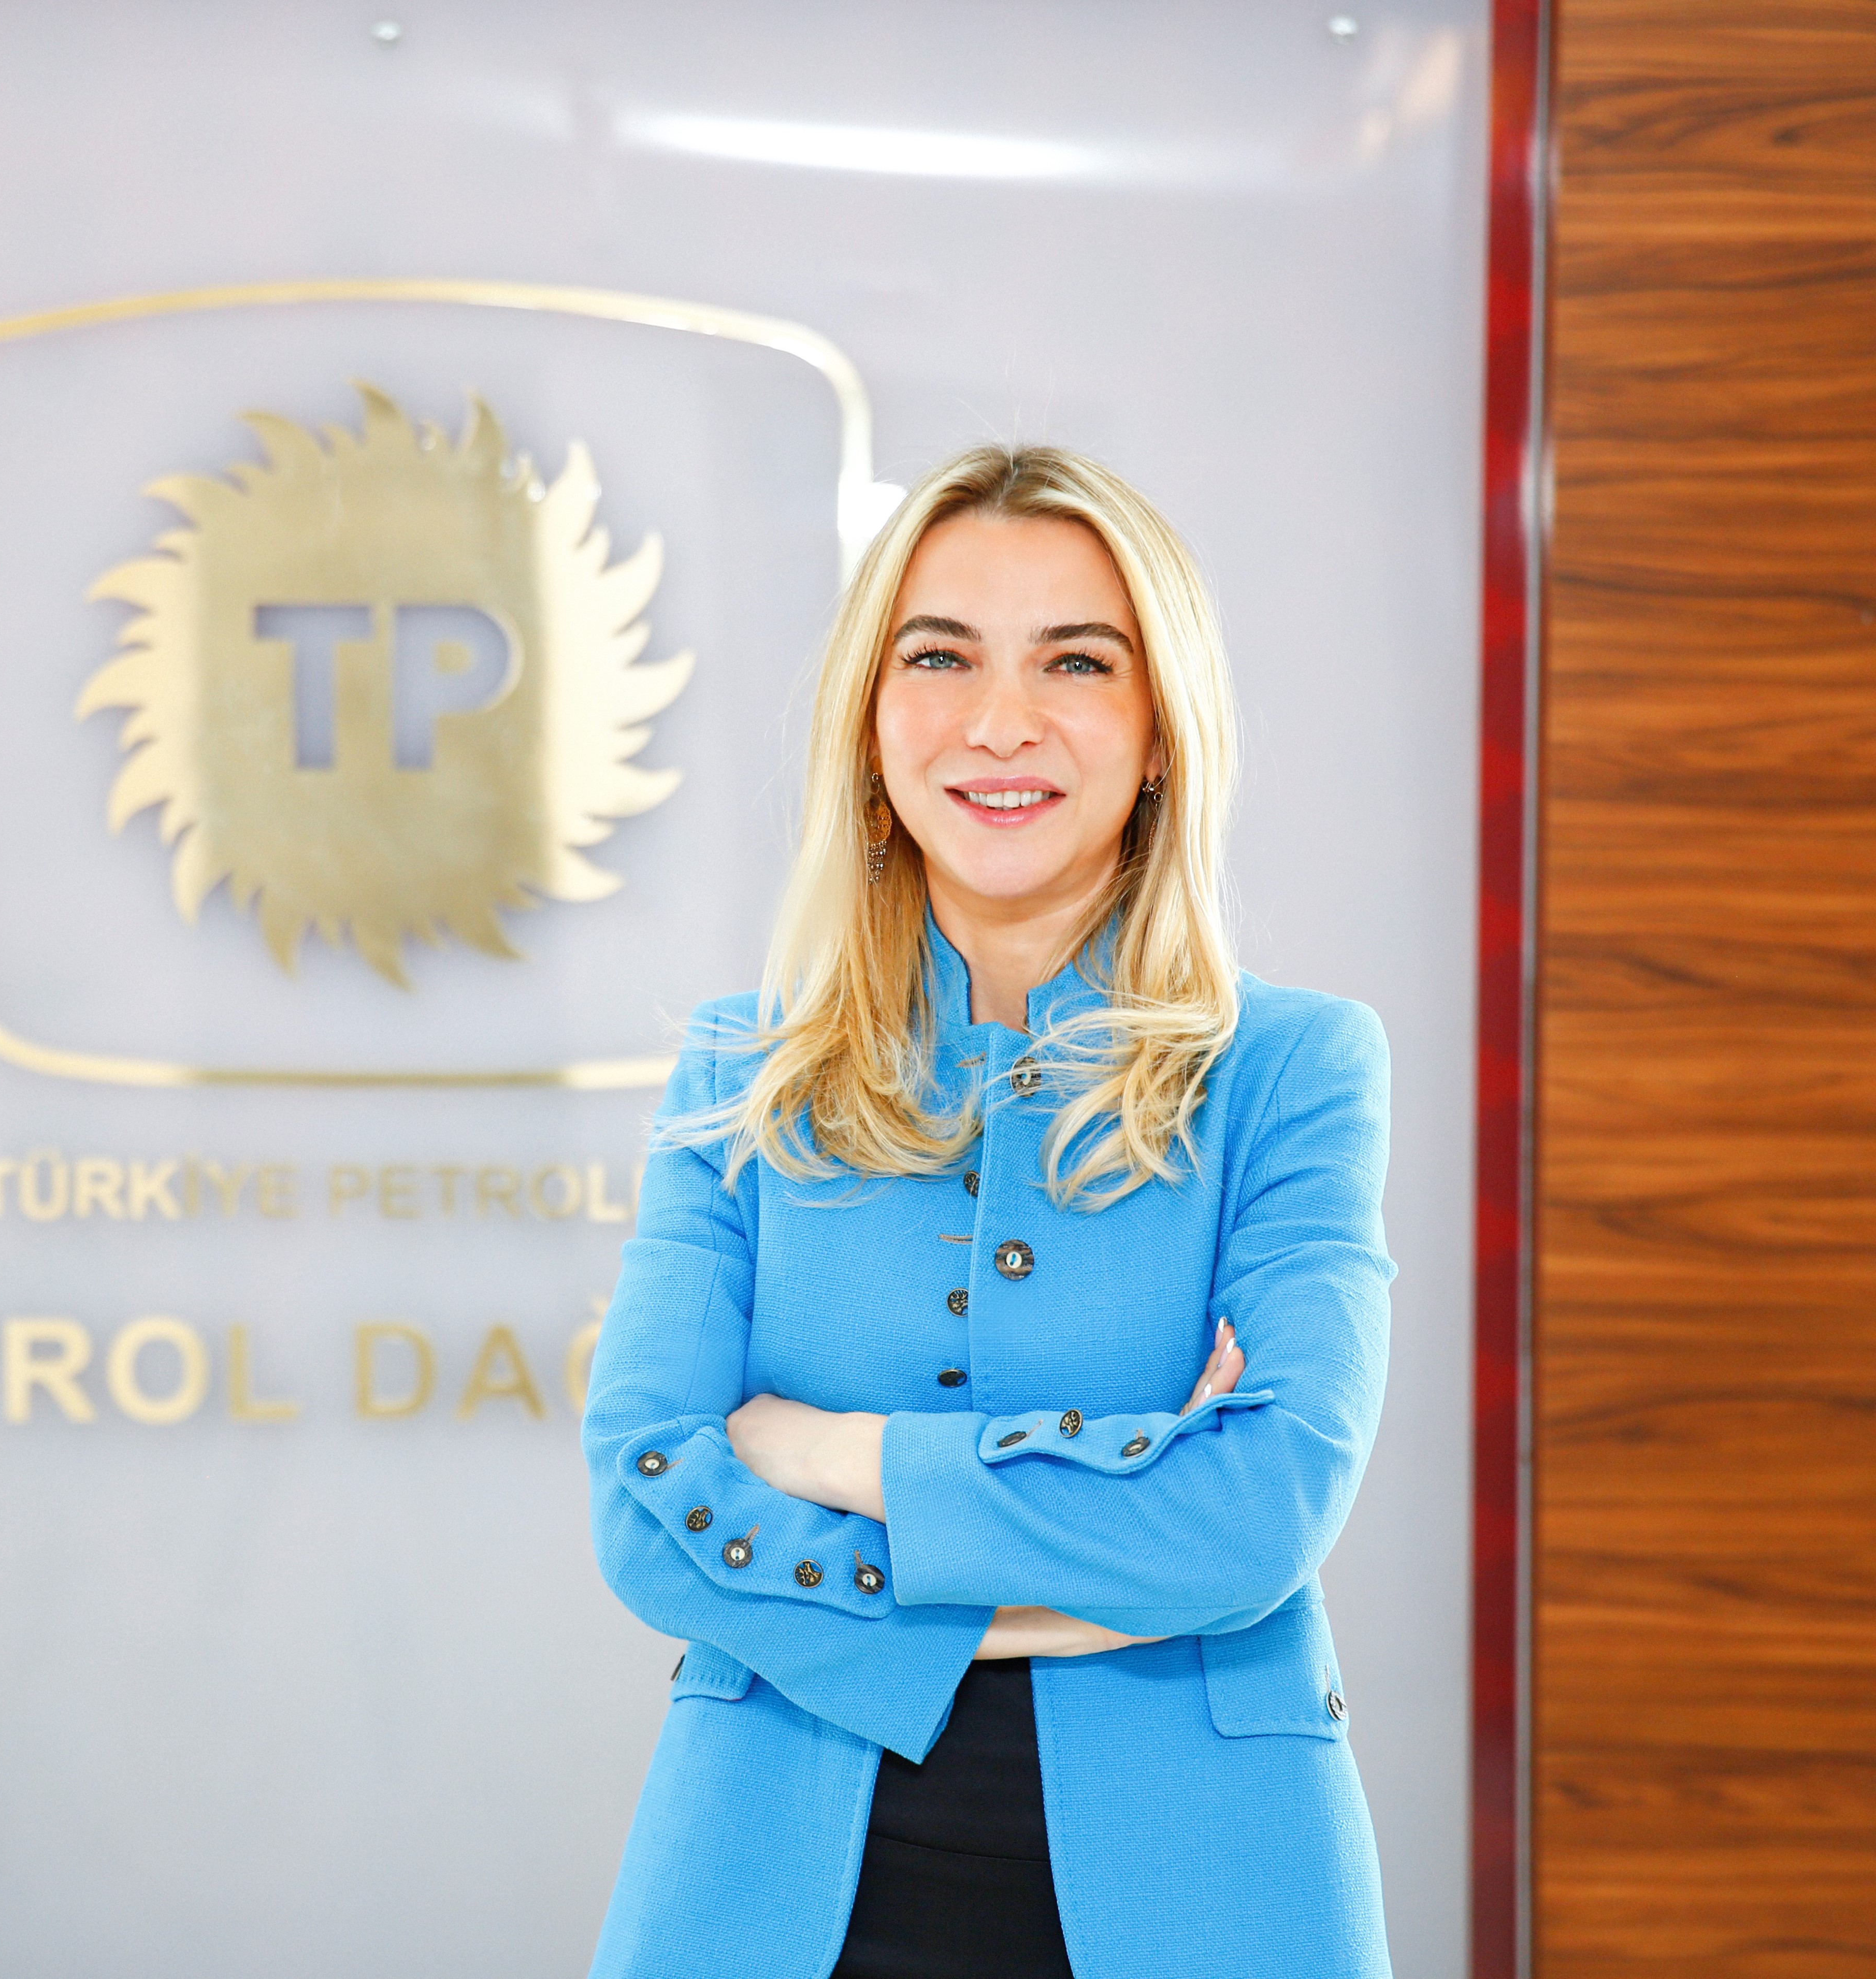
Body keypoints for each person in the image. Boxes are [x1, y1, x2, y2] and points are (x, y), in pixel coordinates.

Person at [581, 445, 1394, 1979]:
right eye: (939, 657)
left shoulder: (1295, 1070)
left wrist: (835, 1457)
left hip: (1209, 1882)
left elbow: (1259, 1510)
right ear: (869, 720)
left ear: (1160, 733)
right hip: (769, 1883)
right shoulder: (739, 1071)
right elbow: (645, 1508)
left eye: (1075, 662)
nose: (999, 721)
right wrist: (1090, 1570)